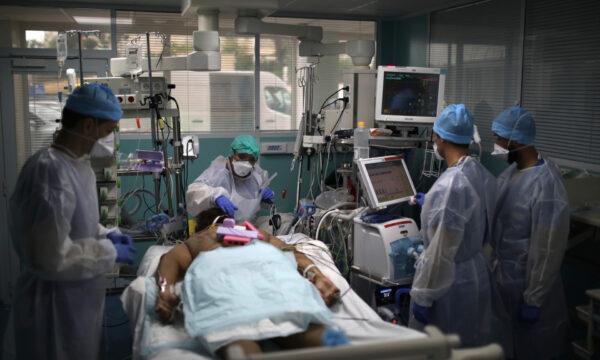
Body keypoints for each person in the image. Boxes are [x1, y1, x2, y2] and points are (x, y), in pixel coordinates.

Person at [4, 83, 136, 360]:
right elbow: (49, 256)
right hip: (52, 306)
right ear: (88, 125)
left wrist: (107, 233)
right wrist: (110, 252)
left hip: (77, 299)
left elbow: (75, 221)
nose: (111, 140)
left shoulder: (79, 166)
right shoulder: (50, 172)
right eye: (109, 131)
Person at [154, 208, 344, 358]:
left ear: (202, 226)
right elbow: (290, 251)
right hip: (268, 265)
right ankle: (341, 350)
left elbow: (169, 260)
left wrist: (165, 290)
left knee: (237, 335)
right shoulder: (255, 233)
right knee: (299, 325)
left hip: (221, 273)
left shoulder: (198, 239)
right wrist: (316, 275)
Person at [409, 104, 496, 347]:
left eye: (435, 136)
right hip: (474, 273)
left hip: (448, 285)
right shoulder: (478, 171)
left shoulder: (450, 186)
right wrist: (433, 206)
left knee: (442, 350)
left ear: (440, 138)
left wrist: (424, 296)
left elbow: (440, 251)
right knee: (470, 346)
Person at [490, 106, 569, 359]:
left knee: (533, 350)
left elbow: (547, 248)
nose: (496, 145)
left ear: (516, 140)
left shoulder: (546, 184)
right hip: (504, 280)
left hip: (530, 288)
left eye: (499, 138)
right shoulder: (511, 174)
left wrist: (534, 298)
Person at [186, 135, 274, 221]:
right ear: (232, 154)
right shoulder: (219, 171)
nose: (246, 163)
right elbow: (193, 193)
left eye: (251, 159)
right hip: (218, 228)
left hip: (247, 228)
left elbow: (257, 204)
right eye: (242, 156)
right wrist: (214, 196)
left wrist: (264, 197)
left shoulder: (256, 175)